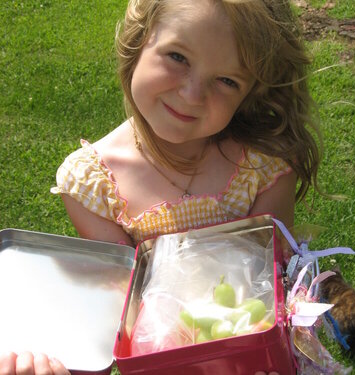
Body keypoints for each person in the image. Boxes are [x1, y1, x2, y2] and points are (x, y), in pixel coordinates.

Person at [1, 0, 322, 373]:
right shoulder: (94, 184)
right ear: (138, 41)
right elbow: (116, 321)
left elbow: (274, 290)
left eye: (227, 80)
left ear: (250, 93)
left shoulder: (262, 167)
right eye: (177, 57)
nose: (191, 93)